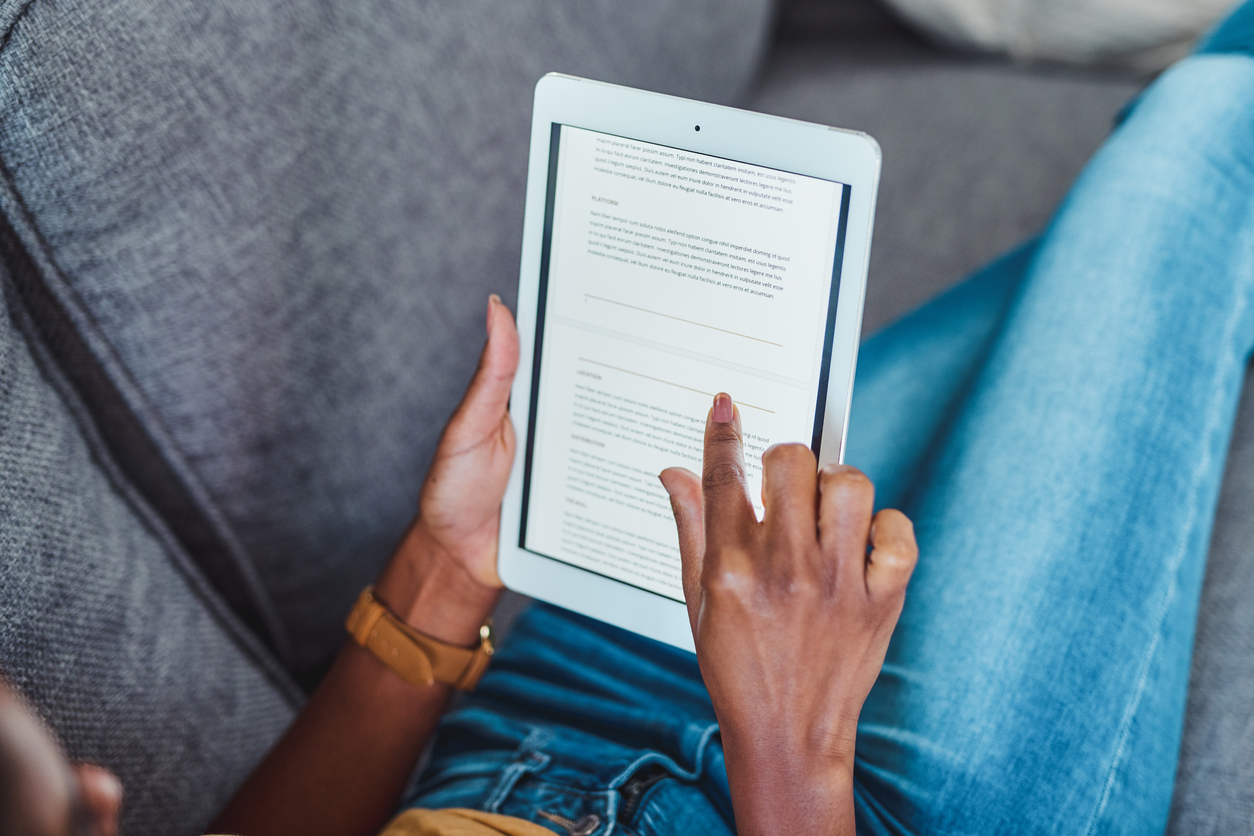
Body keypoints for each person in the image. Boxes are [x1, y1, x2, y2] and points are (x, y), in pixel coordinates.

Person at [2, 2, 1252, 834]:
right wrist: (793, 747)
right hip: (833, 797)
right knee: (1192, 162)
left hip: (540, 714)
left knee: (1116, 246)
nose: (105, 788)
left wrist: (449, 565)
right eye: (66, 812)